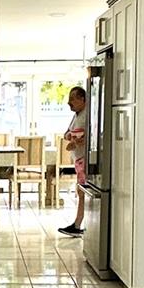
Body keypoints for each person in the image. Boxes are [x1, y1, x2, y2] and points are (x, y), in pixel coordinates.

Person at [58, 84, 87, 236]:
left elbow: (91, 136)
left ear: (82, 99)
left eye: (72, 99)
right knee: (80, 191)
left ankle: (78, 224)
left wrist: (79, 141)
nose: (69, 103)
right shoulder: (77, 115)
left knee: (82, 191)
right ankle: (78, 223)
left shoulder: (88, 115)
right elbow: (67, 132)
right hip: (79, 159)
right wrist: (69, 137)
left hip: (85, 159)